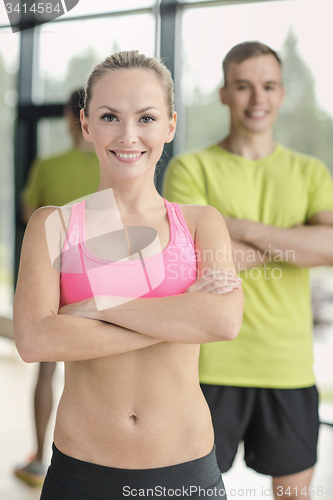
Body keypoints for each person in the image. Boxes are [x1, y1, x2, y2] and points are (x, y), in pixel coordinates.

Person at [13, 50, 243, 500]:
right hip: (81, 474)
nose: (128, 135)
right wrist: (178, 318)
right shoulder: (53, 225)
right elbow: (36, 340)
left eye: (147, 118)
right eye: (109, 116)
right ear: (86, 125)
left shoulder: (199, 223)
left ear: (170, 125)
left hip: (186, 473)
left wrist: (96, 308)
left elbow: (223, 321)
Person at [163, 41, 333, 500]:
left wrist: (236, 227)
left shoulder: (311, 172)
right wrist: (294, 242)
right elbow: (190, 257)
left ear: (281, 94)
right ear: (224, 93)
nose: (257, 98)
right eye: (243, 86)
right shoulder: (190, 168)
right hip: (208, 366)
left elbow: (331, 247)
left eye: (268, 86)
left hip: (288, 367)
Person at [14, 89, 100, 487]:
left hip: (56, 281)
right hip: (102, 284)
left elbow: (31, 216)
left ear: (72, 117)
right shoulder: (110, 166)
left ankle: (39, 458)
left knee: (47, 372)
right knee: (99, 374)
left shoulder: (49, 166)